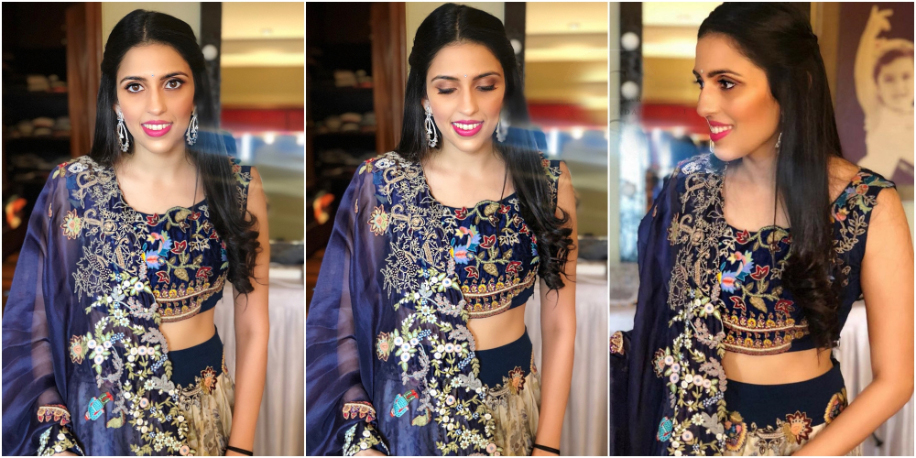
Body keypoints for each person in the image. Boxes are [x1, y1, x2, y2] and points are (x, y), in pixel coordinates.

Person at [611, 3, 913, 456]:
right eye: (701, 82)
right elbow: (658, 326)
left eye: (726, 82)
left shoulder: (866, 203)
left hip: (808, 441)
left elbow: (896, 380)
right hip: (686, 437)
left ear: (794, 86)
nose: (703, 104)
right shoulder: (687, 187)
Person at [306, 3, 577, 456]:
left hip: (511, 418)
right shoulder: (382, 183)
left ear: (507, 89)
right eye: (447, 89)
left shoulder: (547, 182)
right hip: (408, 424)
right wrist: (362, 442)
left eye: (485, 85)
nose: (468, 105)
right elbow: (336, 323)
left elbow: (560, 322)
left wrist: (547, 444)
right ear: (424, 98)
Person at [2, 10, 270, 456]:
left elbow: (254, 326)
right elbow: (31, 326)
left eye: (173, 83)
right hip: (100, 422)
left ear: (197, 91)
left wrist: (240, 447)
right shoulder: (74, 189)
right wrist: (56, 441)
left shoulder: (239, 187)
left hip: (203, 417)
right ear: (114, 100)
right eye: (135, 86)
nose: (156, 106)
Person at [854, 5, 914, 181]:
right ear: (877, 86)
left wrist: (893, 45)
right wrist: (871, 32)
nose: (899, 86)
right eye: (889, 80)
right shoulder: (878, 112)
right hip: (878, 187)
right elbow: (862, 76)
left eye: (906, 76)